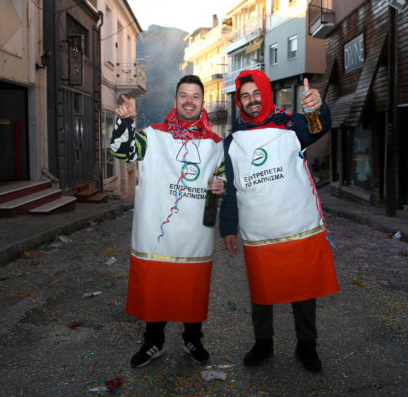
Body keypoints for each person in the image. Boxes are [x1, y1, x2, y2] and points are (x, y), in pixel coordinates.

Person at [219, 70, 339, 372]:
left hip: (297, 226)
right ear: (239, 102)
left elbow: (321, 126)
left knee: (304, 290)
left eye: (256, 93)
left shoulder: (292, 125)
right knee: (262, 292)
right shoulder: (232, 142)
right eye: (245, 96)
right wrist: (228, 227)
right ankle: (263, 343)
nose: (252, 100)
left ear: (266, 94)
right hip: (258, 233)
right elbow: (230, 188)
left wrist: (318, 107)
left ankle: (307, 345)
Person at [109, 75, 224, 368]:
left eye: (195, 96)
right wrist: (124, 123)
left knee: (192, 288)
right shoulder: (152, 135)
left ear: (202, 102)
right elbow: (122, 152)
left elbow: (223, 176)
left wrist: (221, 184)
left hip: (195, 234)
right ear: (175, 100)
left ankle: (192, 338)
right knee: (156, 287)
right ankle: (153, 342)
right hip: (157, 233)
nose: (189, 101)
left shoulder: (215, 144)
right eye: (184, 95)